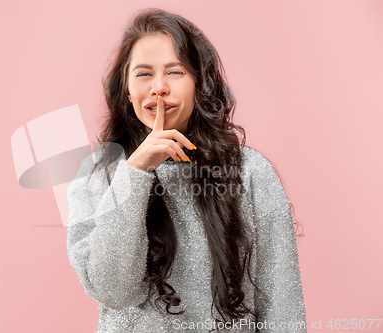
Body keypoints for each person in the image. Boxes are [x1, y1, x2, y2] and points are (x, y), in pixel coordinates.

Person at [66, 7, 307, 333]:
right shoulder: (97, 175)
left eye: (175, 72)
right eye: (143, 74)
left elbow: (282, 307)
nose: (159, 87)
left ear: (199, 83)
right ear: (126, 89)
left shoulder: (250, 173)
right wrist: (136, 172)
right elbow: (114, 292)